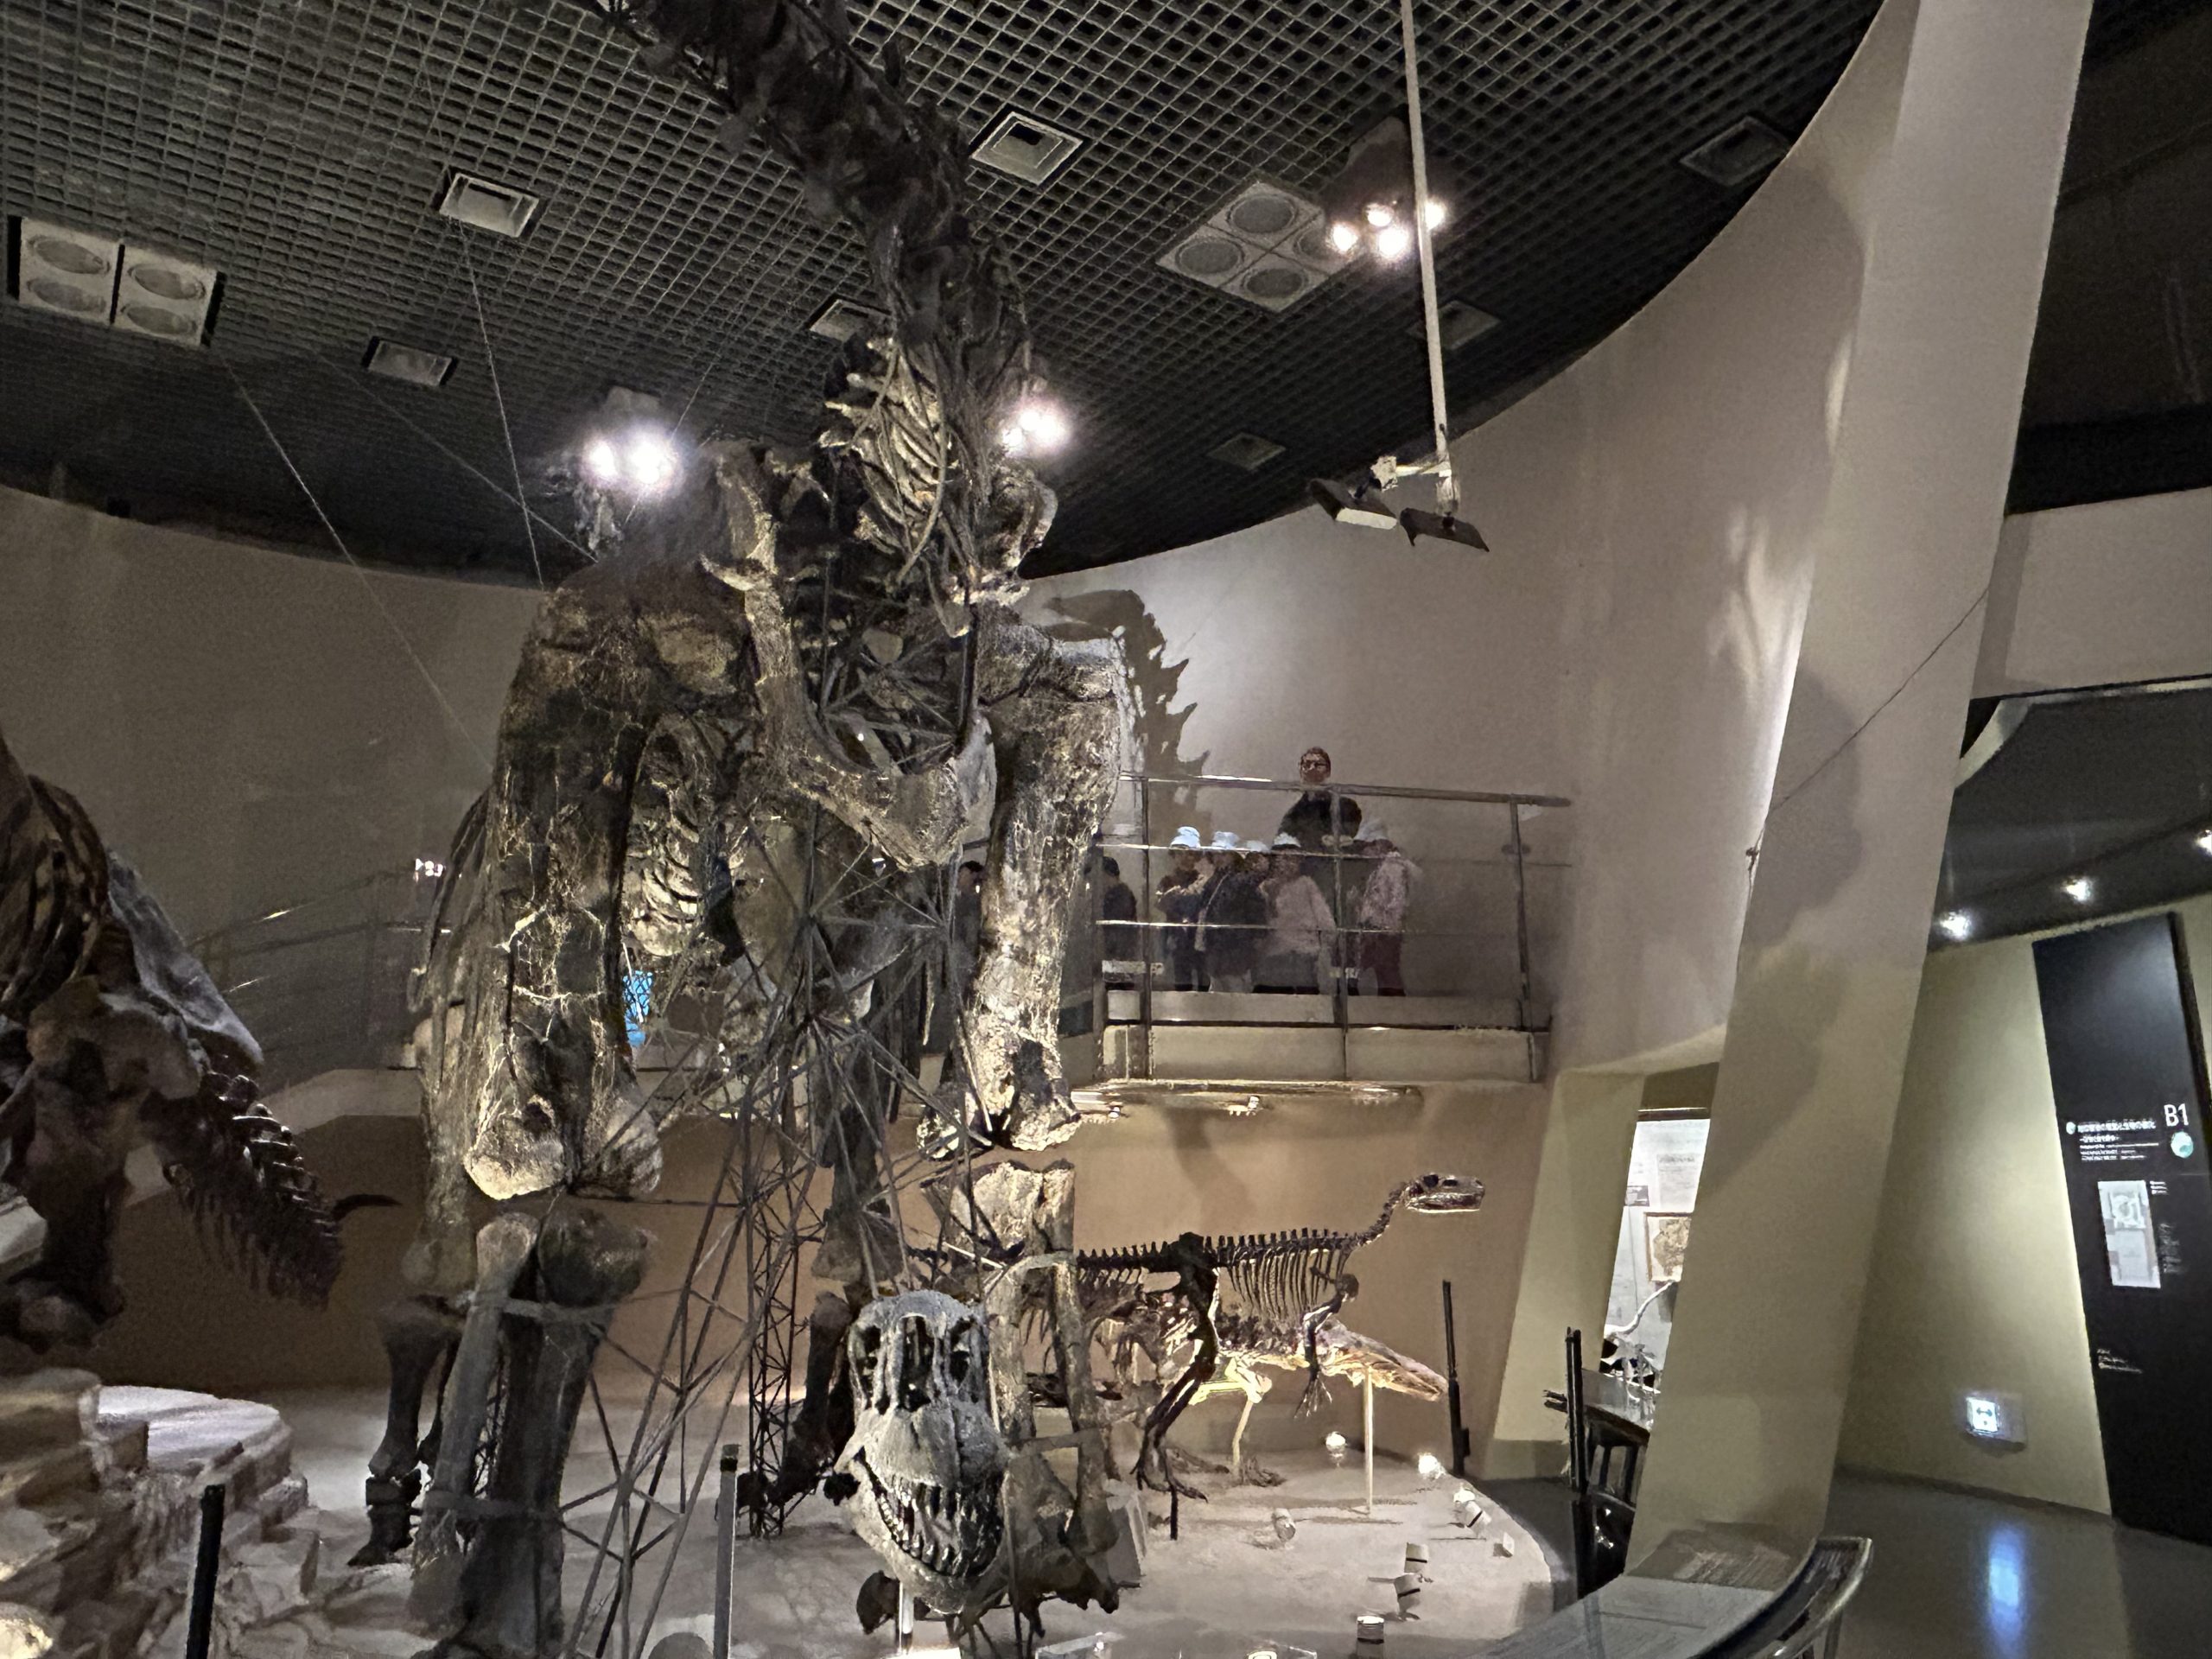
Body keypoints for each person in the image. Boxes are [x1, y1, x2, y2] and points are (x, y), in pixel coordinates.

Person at [1257, 832, 1333, 993]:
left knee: (1306, 999)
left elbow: (1326, 921)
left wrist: (1324, 951)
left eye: (1294, 859)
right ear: (1275, 860)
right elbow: (1260, 921)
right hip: (1275, 957)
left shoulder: (1306, 885)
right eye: (1284, 858)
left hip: (1303, 956)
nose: (1289, 864)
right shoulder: (1266, 888)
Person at [1351, 820, 1418, 995]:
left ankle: (1394, 1006)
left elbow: (1398, 903)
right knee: (1379, 972)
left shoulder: (1394, 868)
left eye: (1365, 847)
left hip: (1384, 932)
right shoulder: (1380, 869)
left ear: (1378, 845)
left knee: (1387, 972)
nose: (1363, 853)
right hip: (1377, 930)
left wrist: (1386, 927)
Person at [1198, 833, 1268, 993]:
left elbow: (1256, 913)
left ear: (1234, 857)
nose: (1218, 858)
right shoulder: (1213, 882)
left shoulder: (1242, 881)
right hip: (1216, 951)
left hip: (1236, 950)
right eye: (1215, 854)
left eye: (1224, 854)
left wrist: (1256, 939)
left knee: (1237, 993)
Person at [1277, 746, 1362, 854]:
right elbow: (1285, 843)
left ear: (1328, 771)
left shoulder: (1348, 807)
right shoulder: (1293, 815)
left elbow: (1351, 837)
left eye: (1318, 765)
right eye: (1307, 765)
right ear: (1301, 771)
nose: (1312, 769)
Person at [1156, 825, 1207, 989]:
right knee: (1180, 985)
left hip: (1199, 941)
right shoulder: (1167, 881)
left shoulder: (1203, 881)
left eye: (1189, 853)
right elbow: (1160, 905)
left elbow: (1197, 901)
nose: (1184, 858)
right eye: (1179, 853)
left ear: (1196, 857)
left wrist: (1179, 896)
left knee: (1204, 985)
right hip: (1176, 941)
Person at [1096, 854, 1139, 970]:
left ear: (1108, 874)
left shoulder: (1121, 894)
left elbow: (1120, 927)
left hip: (1120, 952)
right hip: (1118, 950)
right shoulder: (1116, 893)